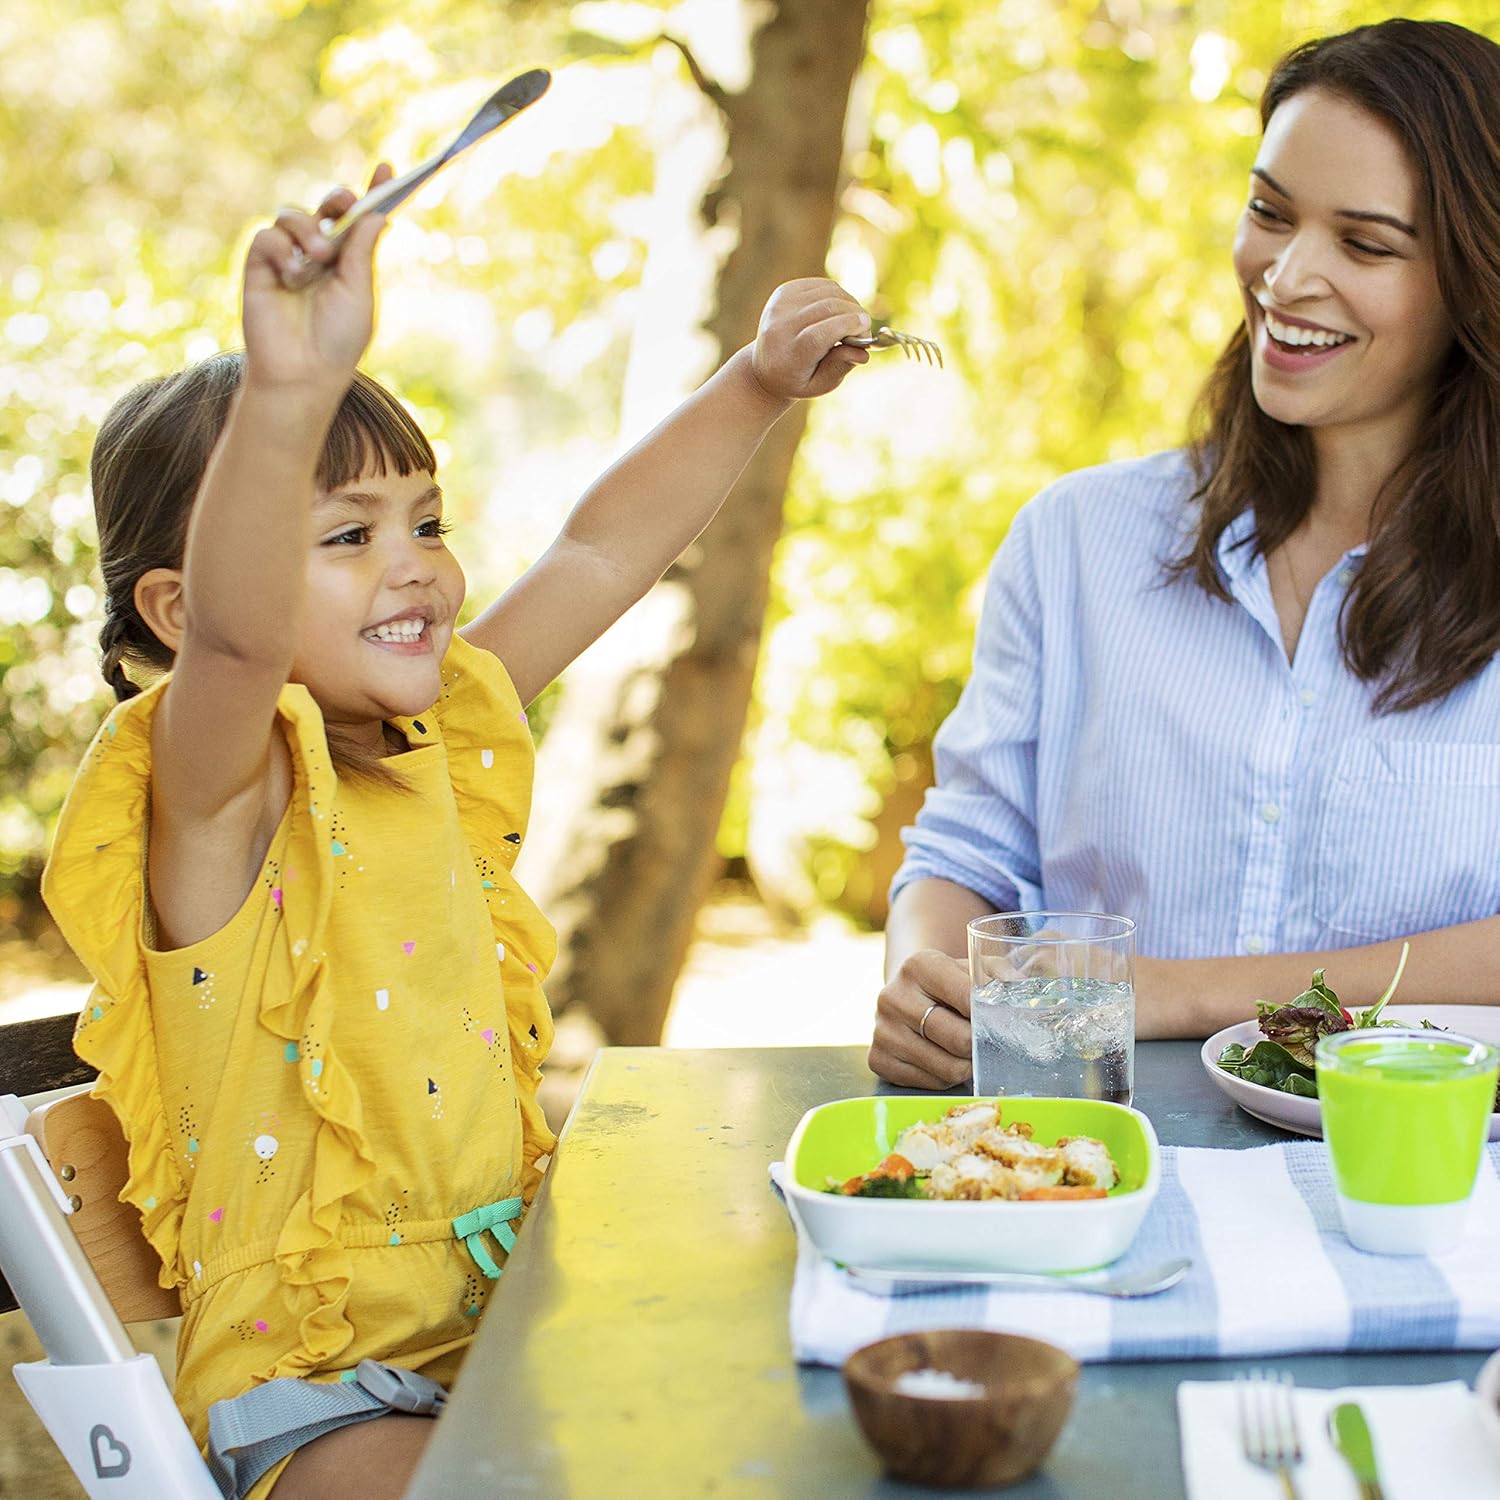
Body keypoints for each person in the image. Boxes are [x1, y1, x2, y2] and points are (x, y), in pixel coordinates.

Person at [41, 160, 871, 1499]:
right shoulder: (214, 803)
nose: (415, 561)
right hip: (314, 1400)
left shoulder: (434, 742)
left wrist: (758, 387)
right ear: (178, 617)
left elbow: (601, 555)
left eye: (424, 521)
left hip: (505, 1332)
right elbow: (251, 645)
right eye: (349, 536)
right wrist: (289, 394)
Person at [871, 17, 1500, 1091]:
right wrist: (932, 984)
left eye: (1367, 244)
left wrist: (1179, 991)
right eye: (1269, 212)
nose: (1288, 274)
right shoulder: (1077, 541)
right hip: (1095, 1158)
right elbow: (966, 858)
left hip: (1434, 1200)